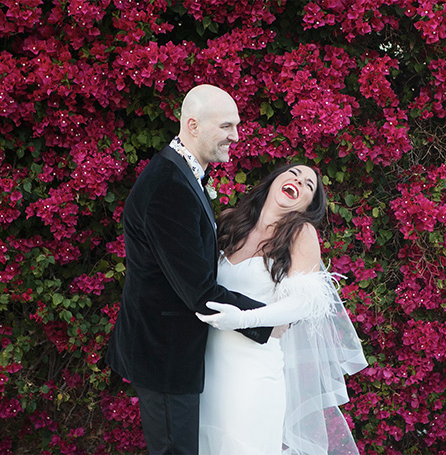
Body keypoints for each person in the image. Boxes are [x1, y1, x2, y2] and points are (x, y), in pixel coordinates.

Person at [105, 84, 274, 454]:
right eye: (226, 126)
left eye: (237, 125)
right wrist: (272, 319)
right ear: (193, 125)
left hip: (169, 346)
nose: (236, 136)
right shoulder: (169, 186)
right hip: (165, 352)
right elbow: (200, 293)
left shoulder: (181, 172)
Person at [194, 163, 367, 454]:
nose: (298, 182)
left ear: (308, 204)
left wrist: (245, 318)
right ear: (275, 180)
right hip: (207, 367)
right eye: (294, 174)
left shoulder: (300, 233)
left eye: (308, 186)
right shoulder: (229, 222)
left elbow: (303, 303)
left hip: (254, 373)